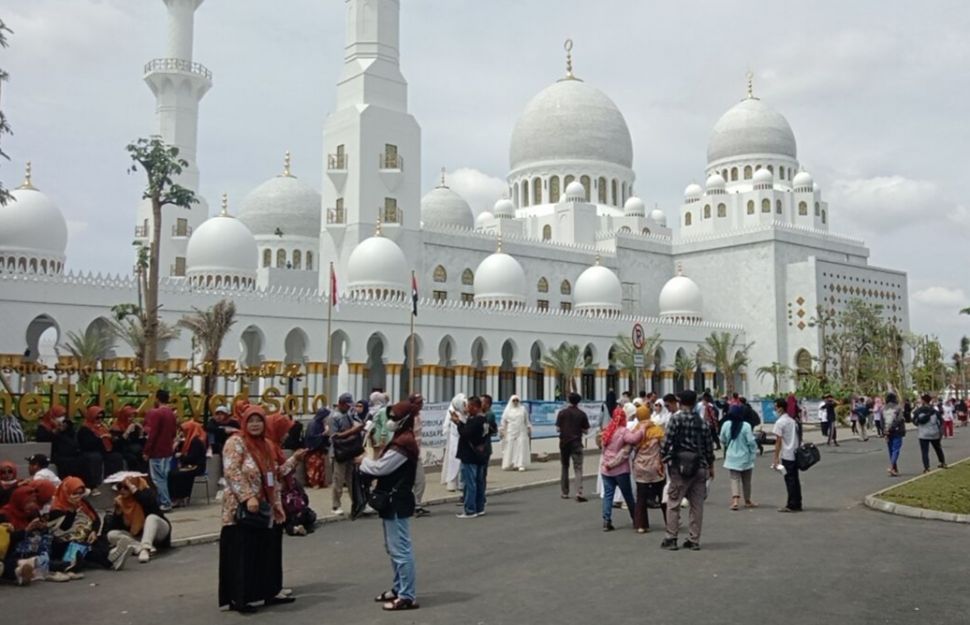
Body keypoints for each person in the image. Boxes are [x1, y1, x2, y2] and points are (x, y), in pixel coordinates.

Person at [218, 405, 300, 613]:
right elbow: (232, 472)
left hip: (266, 508)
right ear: (245, 423)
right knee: (243, 554)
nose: (255, 425)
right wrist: (247, 497)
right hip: (242, 509)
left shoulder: (265, 445)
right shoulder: (236, 443)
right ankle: (240, 598)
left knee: (265, 552)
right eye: (251, 421)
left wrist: (294, 460)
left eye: (259, 421)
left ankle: (269, 592)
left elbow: (274, 473)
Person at [357, 400, 421, 611]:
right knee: (393, 548)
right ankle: (398, 587)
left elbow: (381, 469)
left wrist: (364, 462)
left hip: (397, 500)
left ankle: (407, 595)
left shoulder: (404, 443)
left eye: (394, 417)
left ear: (404, 420)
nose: (390, 421)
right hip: (392, 500)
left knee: (400, 549)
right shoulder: (400, 439)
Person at [660, 390, 714, 551]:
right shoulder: (702, 422)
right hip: (699, 466)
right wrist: (710, 466)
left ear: (680, 401)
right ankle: (694, 539)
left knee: (674, 502)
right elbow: (709, 447)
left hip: (679, 467)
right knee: (697, 505)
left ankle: (671, 537)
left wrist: (662, 458)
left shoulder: (676, 420)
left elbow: (666, 441)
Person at [48, 476, 128, 571]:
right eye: (74, 493)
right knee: (85, 548)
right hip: (66, 541)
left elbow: (95, 519)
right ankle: (110, 560)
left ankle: (112, 557)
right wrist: (72, 509)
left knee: (98, 539)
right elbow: (65, 527)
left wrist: (93, 531)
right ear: (67, 492)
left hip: (84, 535)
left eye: (80, 493)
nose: (78, 496)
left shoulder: (83, 503)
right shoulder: (56, 508)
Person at [105, 475, 172, 564]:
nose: (122, 490)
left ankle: (145, 548)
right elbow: (115, 527)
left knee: (151, 518)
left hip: (158, 531)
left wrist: (134, 490)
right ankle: (139, 548)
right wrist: (118, 513)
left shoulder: (146, 492)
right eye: (119, 487)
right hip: (138, 536)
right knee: (111, 534)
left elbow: (151, 504)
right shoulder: (121, 501)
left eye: (126, 487)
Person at [599, 403, 640, 531]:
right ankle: (636, 519)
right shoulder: (623, 431)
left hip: (606, 468)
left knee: (608, 495)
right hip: (620, 469)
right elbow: (633, 439)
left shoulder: (607, 431)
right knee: (628, 495)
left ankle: (606, 520)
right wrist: (642, 429)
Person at [0, 484, 52, 585]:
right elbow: (7, 540)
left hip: (30, 549)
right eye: (28, 502)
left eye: (33, 502)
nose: (31, 505)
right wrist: (26, 530)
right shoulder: (4, 514)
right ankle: (22, 569)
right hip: (11, 551)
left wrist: (42, 528)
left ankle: (21, 571)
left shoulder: (32, 513)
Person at [328, 392, 364, 515]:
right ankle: (335, 505)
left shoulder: (348, 415)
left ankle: (357, 502)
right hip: (339, 452)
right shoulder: (334, 417)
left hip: (349, 450)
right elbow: (334, 437)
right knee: (338, 479)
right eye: (347, 405)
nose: (349, 408)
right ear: (341, 404)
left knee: (351, 478)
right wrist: (353, 431)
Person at [454, 395, 489, 519]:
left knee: (470, 483)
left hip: (470, 455)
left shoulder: (476, 420)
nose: (467, 409)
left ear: (474, 407)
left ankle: (470, 509)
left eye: (469, 406)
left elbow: (465, 433)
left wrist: (458, 423)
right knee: (479, 482)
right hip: (480, 455)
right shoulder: (483, 419)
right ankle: (479, 507)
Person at [632, 402, 665, 533]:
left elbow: (630, 447)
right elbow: (664, 446)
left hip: (640, 467)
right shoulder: (656, 430)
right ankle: (670, 521)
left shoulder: (635, 431)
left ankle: (641, 525)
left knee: (641, 497)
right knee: (662, 495)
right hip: (656, 467)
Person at [143, 389, 178, 511]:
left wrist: (147, 451)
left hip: (157, 451)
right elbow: (174, 432)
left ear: (157, 398)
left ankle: (165, 502)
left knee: (158, 478)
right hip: (167, 450)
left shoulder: (157, 413)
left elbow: (153, 434)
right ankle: (164, 500)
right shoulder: (171, 414)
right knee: (163, 477)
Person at [720, 405, 758, 510]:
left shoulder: (726, 424)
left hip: (732, 456)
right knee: (746, 480)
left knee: (734, 479)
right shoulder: (746, 425)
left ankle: (735, 501)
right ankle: (747, 500)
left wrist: (727, 444)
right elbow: (750, 441)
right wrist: (753, 452)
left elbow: (722, 438)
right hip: (745, 456)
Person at [35, 405, 84, 482]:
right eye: (59, 416)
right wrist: (55, 431)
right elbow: (43, 441)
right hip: (54, 454)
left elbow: (72, 438)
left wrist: (67, 428)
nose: (62, 418)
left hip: (68, 453)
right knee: (66, 462)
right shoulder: (43, 427)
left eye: (63, 415)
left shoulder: (65, 425)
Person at [556, 392, 589, 502]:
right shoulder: (582, 414)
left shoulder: (562, 413)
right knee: (578, 468)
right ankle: (578, 492)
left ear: (568, 400)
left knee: (565, 467)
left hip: (564, 443)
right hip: (576, 443)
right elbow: (586, 430)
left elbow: (558, 429)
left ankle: (565, 492)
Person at [168, 420, 207, 507]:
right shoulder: (189, 441)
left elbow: (193, 458)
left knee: (176, 474)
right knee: (172, 473)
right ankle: (178, 497)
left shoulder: (196, 442)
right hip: (191, 465)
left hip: (197, 466)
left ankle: (179, 497)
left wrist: (181, 456)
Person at [772, 398, 802, 512]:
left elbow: (778, 441)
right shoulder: (791, 421)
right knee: (795, 479)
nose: (775, 409)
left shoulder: (780, 422)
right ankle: (797, 502)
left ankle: (791, 504)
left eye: (776, 407)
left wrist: (775, 457)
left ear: (780, 408)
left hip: (787, 455)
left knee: (789, 480)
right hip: (795, 453)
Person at [407, 393, 430, 517]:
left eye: (421, 402)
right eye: (418, 403)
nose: (421, 405)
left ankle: (416, 504)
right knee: (410, 481)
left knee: (420, 481)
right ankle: (411, 505)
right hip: (408, 454)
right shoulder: (408, 418)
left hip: (416, 453)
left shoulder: (418, 416)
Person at [912, 394, 946, 473]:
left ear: (923, 401)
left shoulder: (918, 411)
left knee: (924, 451)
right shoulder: (934, 411)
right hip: (934, 433)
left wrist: (919, 425)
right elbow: (940, 422)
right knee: (938, 448)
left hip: (923, 434)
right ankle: (942, 462)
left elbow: (914, 421)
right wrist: (940, 432)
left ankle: (926, 467)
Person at [110, 405, 147, 472]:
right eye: (129, 417)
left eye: (133, 416)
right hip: (122, 450)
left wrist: (141, 432)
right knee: (132, 458)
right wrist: (127, 431)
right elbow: (118, 445)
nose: (132, 419)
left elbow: (141, 443)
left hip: (133, 450)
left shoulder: (134, 427)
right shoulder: (116, 427)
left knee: (143, 456)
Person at [440, 394, 465, 492]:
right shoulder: (452, 412)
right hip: (454, 440)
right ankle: (452, 484)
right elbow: (447, 425)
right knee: (453, 461)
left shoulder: (465, 413)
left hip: (462, 440)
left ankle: (461, 484)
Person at [500, 395, 531, 471]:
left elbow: (526, 420)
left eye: (517, 400)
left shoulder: (523, 409)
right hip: (511, 431)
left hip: (521, 430)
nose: (515, 402)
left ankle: (520, 464)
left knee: (521, 447)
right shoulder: (507, 410)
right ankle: (510, 463)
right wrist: (503, 430)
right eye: (514, 400)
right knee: (510, 447)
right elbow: (504, 421)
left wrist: (529, 427)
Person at [304, 407, 331, 488]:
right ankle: (314, 482)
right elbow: (311, 437)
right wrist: (323, 434)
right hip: (313, 449)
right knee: (314, 466)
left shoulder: (321, 423)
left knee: (320, 466)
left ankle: (320, 482)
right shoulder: (313, 424)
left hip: (320, 449)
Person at [480, 394, 499, 500]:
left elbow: (486, 430)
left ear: (487, 404)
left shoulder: (489, 415)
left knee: (482, 473)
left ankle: (481, 497)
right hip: (481, 447)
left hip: (484, 447)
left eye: (482, 402)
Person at [884, 393, 906, 476]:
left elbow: (882, 421)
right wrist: (892, 427)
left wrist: (885, 430)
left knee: (891, 450)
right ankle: (892, 467)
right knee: (896, 449)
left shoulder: (884, 409)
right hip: (897, 431)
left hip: (887, 431)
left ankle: (894, 468)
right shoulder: (897, 408)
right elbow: (900, 420)